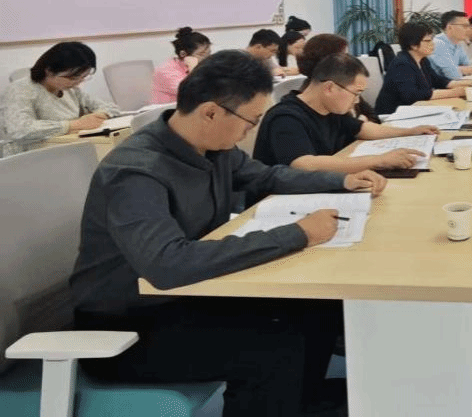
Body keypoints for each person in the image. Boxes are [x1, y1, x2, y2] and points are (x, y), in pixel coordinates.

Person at [70, 50, 383, 417]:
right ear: (211, 112)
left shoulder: (211, 147)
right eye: (251, 120)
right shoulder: (136, 172)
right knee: (271, 347)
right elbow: (167, 265)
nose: (251, 131)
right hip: (128, 327)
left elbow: (267, 176)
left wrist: (342, 181)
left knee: (315, 305)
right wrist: (297, 234)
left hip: (189, 298)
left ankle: (303, 400)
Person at [255, 54, 439, 173]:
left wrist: (410, 132)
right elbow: (305, 164)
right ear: (329, 88)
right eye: (356, 93)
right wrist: (380, 160)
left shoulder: (330, 109)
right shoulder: (286, 117)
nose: (357, 101)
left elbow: (362, 129)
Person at [0, 41, 120, 149]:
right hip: (29, 155)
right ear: (48, 71)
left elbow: (110, 107)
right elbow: (20, 129)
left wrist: (99, 115)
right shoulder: (20, 89)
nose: (78, 82)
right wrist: (73, 125)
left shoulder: (71, 90)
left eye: (83, 77)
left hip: (66, 146)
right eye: (72, 78)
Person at [375, 22, 472, 115]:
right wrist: (454, 92)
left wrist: (467, 84)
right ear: (413, 45)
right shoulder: (402, 64)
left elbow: (437, 80)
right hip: (394, 114)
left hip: (415, 110)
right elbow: (413, 96)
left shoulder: (422, 60)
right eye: (427, 41)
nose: (433, 44)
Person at [151, 27, 211, 104]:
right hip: (168, 110)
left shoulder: (202, 66)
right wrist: (194, 69)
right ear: (183, 54)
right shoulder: (166, 71)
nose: (207, 58)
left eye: (209, 53)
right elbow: (194, 92)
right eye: (201, 54)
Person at [430, 10, 472, 80]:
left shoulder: (457, 43)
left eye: (468, 26)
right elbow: (452, 75)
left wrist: (459, 69)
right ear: (449, 27)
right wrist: (460, 70)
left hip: (453, 83)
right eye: (464, 26)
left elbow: (468, 64)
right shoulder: (438, 44)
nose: (468, 30)